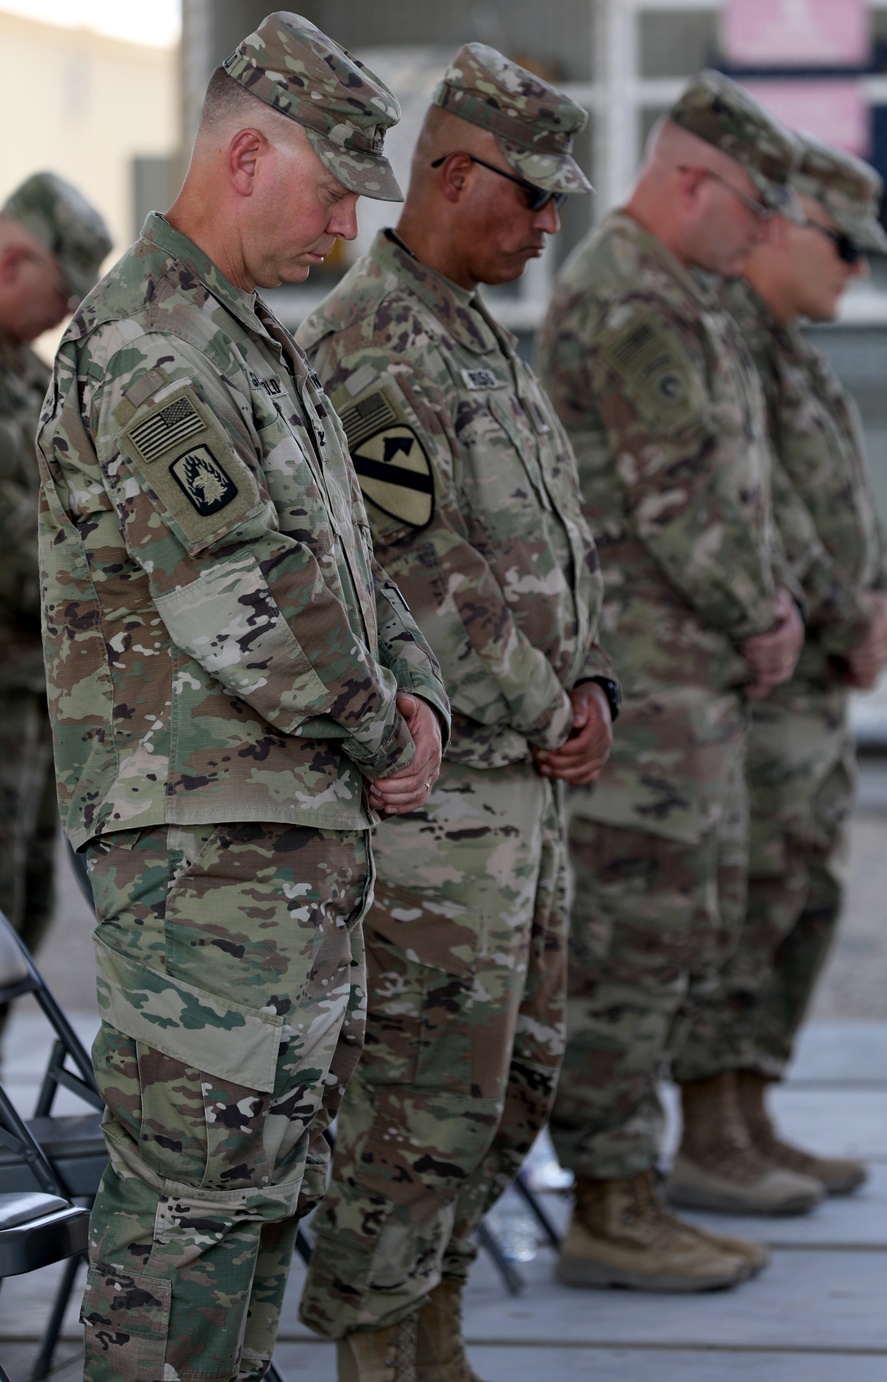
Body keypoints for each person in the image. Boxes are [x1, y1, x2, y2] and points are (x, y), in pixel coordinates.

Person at [35, 14, 449, 1381]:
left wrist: (425, 695)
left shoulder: (248, 341)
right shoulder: (151, 345)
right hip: (202, 847)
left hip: (286, 838)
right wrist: (385, 727)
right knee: (191, 1213)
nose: (345, 224)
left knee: (263, 1190)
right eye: (335, 188)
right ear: (250, 151)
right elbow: (242, 597)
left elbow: (350, 558)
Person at [294, 43, 616, 1381]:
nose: (550, 227)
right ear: (450, 173)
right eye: (532, 199)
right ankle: (380, 1350)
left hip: (526, 790)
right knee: (420, 1104)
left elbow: (549, 544)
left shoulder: (471, 327)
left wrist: (595, 686)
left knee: (511, 1090)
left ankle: (440, 1332)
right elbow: (426, 575)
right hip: (448, 808)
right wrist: (552, 703)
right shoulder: (372, 338)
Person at [536, 69, 818, 1295]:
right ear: (688, 177)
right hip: (642, 685)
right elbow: (676, 499)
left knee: (686, 935)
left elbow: (734, 486)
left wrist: (774, 606)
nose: (763, 235)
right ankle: (608, 1198)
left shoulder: (679, 290)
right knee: (632, 947)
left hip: (688, 680)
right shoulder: (626, 295)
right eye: (752, 206)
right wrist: (760, 610)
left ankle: (641, 1182)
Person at [672, 135, 887, 1193]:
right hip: (760, 682)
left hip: (815, 685)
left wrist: (886, 599)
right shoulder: (723, 345)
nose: (856, 269)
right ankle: (709, 1133)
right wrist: (849, 611)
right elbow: (752, 513)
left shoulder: (792, 355)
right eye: (843, 244)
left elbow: (849, 511)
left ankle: (752, 1110)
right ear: (779, 226)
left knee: (800, 900)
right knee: (746, 900)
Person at [0, 172, 110, 1027]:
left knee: (23, 911)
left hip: (33, 704)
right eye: (62, 292)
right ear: (12, 263)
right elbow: (25, 553)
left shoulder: (32, 387)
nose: (63, 315)